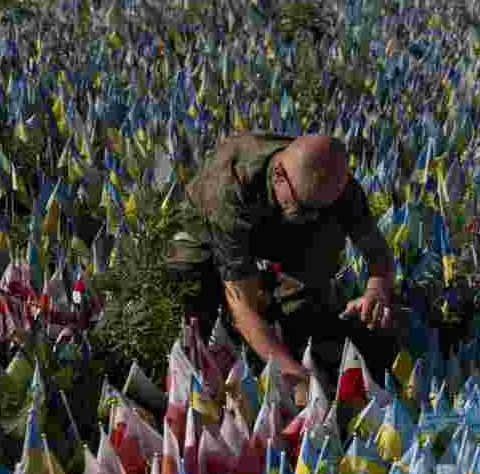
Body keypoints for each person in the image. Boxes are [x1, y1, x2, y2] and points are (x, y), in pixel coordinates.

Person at [168, 133, 402, 402]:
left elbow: (376, 250)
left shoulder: (334, 185)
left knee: (303, 314)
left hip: (280, 220)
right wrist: (292, 374)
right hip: (210, 230)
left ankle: (294, 312)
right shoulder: (230, 185)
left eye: (320, 209)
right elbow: (242, 304)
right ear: (278, 175)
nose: (313, 217)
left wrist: (377, 289)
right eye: (306, 209)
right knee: (190, 282)